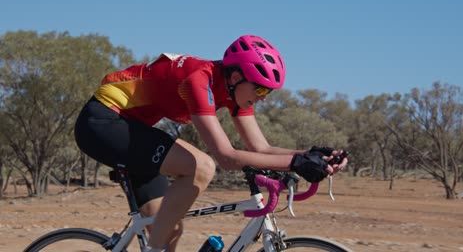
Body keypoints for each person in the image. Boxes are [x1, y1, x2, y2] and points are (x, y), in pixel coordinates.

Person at [74, 34, 348, 252]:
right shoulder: (198, 80)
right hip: (103, 121)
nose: (264, 98)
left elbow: (261, 149)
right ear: (237, 76)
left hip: (134, 129)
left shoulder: (232, 91)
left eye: (269, 91)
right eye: (260, 89)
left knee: (170, 229)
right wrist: (296, 163)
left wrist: (311, 154)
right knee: (201, 166)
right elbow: (226, 157)